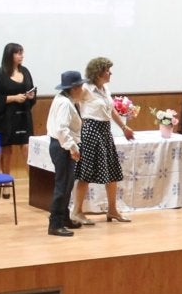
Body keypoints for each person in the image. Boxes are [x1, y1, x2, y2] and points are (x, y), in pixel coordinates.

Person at [74, 56, 136, 224]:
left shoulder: (105, 89)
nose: (110, 73)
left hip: (105, 131)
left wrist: (123, 128)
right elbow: (72, 104)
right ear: (98, 72)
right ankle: (77, 211)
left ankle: (113, 210)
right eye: (107, 70)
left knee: (112, 172)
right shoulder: (85, 88)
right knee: (85, 173)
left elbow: (111, 111)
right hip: (90, 131)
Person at [46, 69, 88, 237]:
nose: (83, 89)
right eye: (81, 86)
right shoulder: (64, 103)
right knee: (62, 186)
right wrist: (72, 147)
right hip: (62, 147)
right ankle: (55, 223)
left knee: (67, 184)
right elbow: (62, 129)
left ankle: (63, 217)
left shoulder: (64, 99)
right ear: (74, 88)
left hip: (62, 145)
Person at [0, 42, 36, 184]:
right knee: (7, 150)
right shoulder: (1, 74)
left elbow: (32, 89)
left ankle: (34, 184)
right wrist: (13, 98)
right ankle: (6, 182)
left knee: (27, 148)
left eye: (22, 53)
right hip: (6, 118)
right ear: (10, 55)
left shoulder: (25, 71)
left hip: (24, 116)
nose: (21, 56)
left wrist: (31, 96)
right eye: (18, 53)